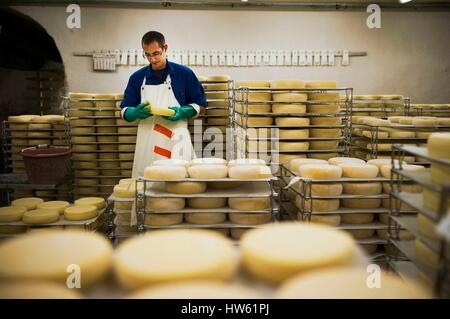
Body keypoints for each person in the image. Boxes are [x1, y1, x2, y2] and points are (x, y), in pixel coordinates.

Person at [120, 31, 206, 178]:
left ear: (165, 48)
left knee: (181, 186)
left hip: (176, 142)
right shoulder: (137, 78)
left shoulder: (184, 74)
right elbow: (124, 110)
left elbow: (201, 105)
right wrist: (133, 113)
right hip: (148, 144)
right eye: (147, 55)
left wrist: (183, 111)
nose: (152, 59)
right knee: (148, 186)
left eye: (156, 53)